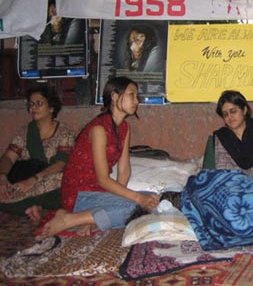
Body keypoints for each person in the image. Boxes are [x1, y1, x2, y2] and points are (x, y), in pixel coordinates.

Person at [34, 77, 160, 240]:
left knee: (152, 199)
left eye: (137, 96)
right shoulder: (99, 129)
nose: (136, 101)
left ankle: (92, 218)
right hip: (80, 193)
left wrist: (119, 199)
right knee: (135, 208)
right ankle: (70, 219)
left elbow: (124, 170)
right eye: (131, 95)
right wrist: (136, 198)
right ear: (114, 97)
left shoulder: (124, 128)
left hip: (99, 192)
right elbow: (103, 179)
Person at [0, 86, 75, 216]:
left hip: (48, 181)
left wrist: (33, 180)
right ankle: (33, 206)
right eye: (31, 104)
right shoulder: (24, 132)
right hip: (23, 178)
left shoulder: (64, 132)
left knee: (64, 181)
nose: (33, 108)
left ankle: (26, 205)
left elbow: (61, 163)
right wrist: (2, 177)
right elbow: (8, 157)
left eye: (39, 103)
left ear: (51, 108)